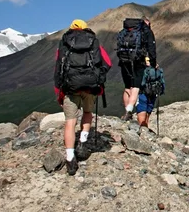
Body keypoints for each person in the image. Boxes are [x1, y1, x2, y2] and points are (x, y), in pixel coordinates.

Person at [53, 19, 112, 175]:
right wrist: (99, 77)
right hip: (90, 86)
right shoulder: (93, 42)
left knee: (70, 122)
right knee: (87, 113)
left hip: (70, 88)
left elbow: (58, 68)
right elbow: (107, 62)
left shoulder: (64, 44)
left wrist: (58, 93)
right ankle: (83, 142)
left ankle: (70, 158)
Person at [118, 15, 157, 121]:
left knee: (127, 87)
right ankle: (129, 111)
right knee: (135, 87)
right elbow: (151, 49)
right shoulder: (146, 31)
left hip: (124, 61)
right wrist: (153, 64)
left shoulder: (125, 30)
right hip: (138, 61)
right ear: (147, 22)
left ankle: (126, 111)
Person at [136, 56, 165, 133]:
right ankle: (145, 129)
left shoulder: (143, 69)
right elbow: (162, 82)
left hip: (143, 93)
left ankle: (142, 131)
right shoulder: (157, 70)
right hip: (153, 93)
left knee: (142, 112)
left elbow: (141, 83)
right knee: (148, 113)